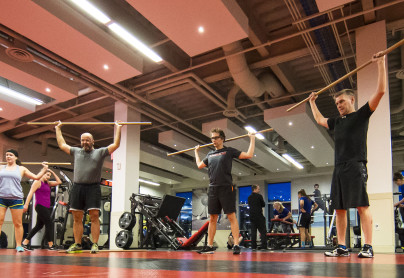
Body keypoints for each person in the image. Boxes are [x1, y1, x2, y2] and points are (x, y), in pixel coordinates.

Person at [309, 52, 386, 258]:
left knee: (362, 206)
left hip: (355, 165)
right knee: (340, 209)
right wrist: (312, 102)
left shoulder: (361, 115)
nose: (339, 105)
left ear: (351, 99)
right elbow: (320, 120)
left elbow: (380, 92)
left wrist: (380, 63)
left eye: (342, 101)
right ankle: (342, 247)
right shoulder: (337, 122)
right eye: (337, 103)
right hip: (339, 168)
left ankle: (368, 246)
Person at [55, 121, 122, 254]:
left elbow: (116, 145)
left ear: (92, 141)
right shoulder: (76, 151)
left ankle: (95, 244)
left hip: (93, 187)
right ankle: (77, 244)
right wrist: (58, 129)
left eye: (87, 140)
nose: (85, 142)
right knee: (77, 217)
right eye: (82, 140)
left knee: (94, 216)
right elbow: (62, 144)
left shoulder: (100, 152)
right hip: (78, 187)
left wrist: (118, 128)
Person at [194, 127, 255, 255]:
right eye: (212, 138)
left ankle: (236, 244)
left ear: (222, 139)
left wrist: (252, 138)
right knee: (212, 218)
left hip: (226, 187)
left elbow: (248, 155)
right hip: (212, 188)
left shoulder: (228, 151)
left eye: (216, 138)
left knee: (231, 216)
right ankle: (210, 246)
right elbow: (199, 165)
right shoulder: (210, 154)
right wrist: (196, 152)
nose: (213, 140)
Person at [0, 149, 48, 252]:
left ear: (16, 157)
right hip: (2, 198)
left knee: (17, 223)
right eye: (7, 155)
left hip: (16, 198)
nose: (8, 157)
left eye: (11, 155)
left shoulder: (21, 169)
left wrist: (44, 169)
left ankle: (18, 245)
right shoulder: (1, 167)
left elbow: (36, 177)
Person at [21, 169, 62, 251]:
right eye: (47, 175)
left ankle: (25, 243)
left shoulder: (48, 183)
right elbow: (30, 193)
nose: (48, 177)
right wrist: (26, 204)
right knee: (49, 222)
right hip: (40, 206)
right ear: (42, 174)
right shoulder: (37, 182)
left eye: (49, 176)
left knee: (38, 226)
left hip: (46, 207)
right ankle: (51, 245)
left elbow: (59, 182)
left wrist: (53, 172)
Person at [247, 185, 267, 250]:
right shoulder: (259, 196)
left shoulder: (249, 197)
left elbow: (250, 205)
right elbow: (263, 205)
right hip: (259, 216)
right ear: (255, 189)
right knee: (263, 232)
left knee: (253, 232)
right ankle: (264, 247)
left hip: (252, 217)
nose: (259, 190)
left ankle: (253, 247)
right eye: (258, 189)